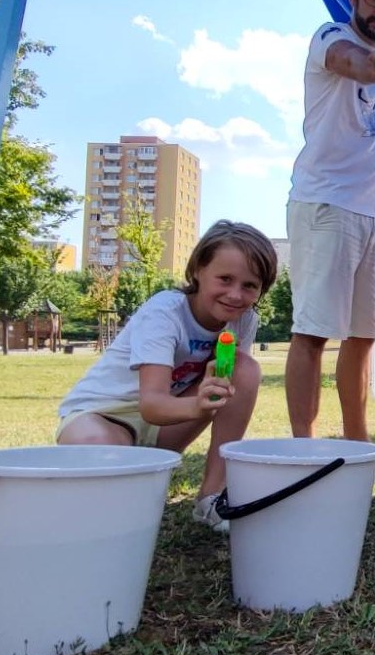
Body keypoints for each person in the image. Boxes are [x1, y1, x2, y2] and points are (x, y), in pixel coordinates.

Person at [56, 221, 278, 532]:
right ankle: (109, 479)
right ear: (198, 270)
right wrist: (199, 406)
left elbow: (227, 384)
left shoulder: (242, 320)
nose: (235, 295)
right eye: (225, 279)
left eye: (250, 286)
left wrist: (211, 394)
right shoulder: (164, 314)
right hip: (103, 416)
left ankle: (211, 498)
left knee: (245, 370)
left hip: (163, 425)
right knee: (102, 465)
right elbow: (152, 404)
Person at [285, 0, 375, 443]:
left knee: (363, 336)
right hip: (324, 205)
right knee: (313, 332)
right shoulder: (329, 36)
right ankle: (304, 448)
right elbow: (352, 62)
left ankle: (358, 446)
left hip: (365, 212)